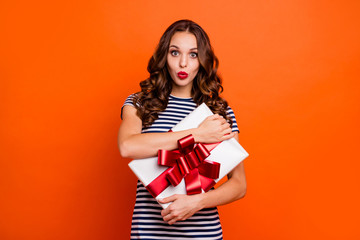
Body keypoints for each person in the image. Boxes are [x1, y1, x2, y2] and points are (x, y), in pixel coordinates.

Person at [118, 19, 247, 240]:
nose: (183, 63)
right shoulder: (140, 102)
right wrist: (197, 134)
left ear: (202, 60)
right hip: (150, 233)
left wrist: (197, 202)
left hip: (203, 234)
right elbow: (127, 146)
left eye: (193, 54)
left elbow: (239, 185)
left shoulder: (219, 111)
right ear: (164, 57)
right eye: (175, 53)